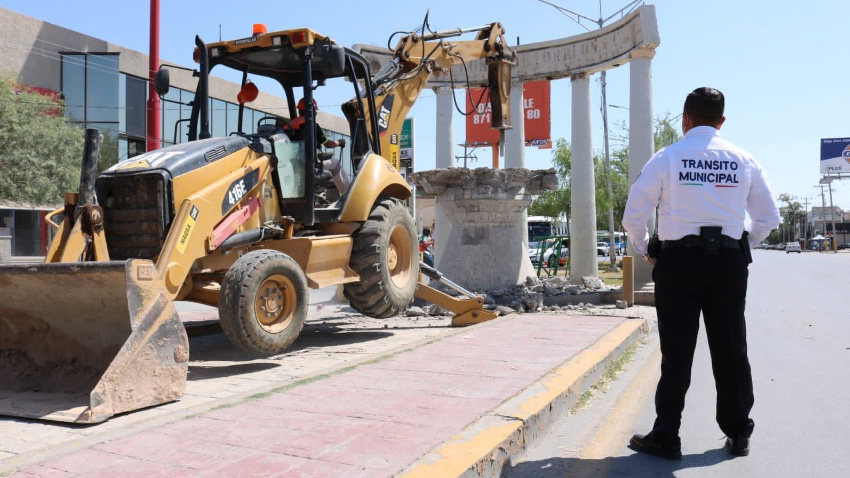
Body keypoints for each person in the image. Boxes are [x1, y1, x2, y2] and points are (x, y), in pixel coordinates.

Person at [622, 87, 780, 459]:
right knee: (731, 347)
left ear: (685, 119)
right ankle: (739, 432)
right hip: (728, 264)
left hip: (677, 263)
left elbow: (634, 216)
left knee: (676, 351)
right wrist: (741, 249)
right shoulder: (744, 159)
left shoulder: (666, 157)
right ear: (722, 121)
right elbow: (768, 219)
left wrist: (648, 250)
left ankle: (666, 435)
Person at [283, 98, 350, 194]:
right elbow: (328, 144)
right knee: (336, 164)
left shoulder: (288, 125)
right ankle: (346, 195)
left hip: (292, 166)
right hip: (309, 166)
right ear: (312, 111)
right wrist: (339, 142)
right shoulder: (312, 126)